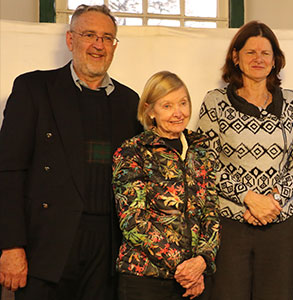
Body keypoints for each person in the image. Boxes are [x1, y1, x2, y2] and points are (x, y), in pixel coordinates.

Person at [0, 4, 142, 300]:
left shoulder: (130, 102)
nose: (98, 45)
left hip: (106, 248)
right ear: (70, 40)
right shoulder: (34, 88)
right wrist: (11, 245)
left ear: (114, 46)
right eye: (89, 35)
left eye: (107, 38)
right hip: (47, 245)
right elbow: (9, 171)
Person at [196, 21, 293, 300]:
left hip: (280, 227)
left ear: (275, 61)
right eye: (250, 52)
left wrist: (271, 200)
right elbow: (205, 164)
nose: (258, 59)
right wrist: (249, 199)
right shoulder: (215, 102)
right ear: (235, 57)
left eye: (265, 53)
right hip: (231, 227)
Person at [112, 71, 219, 300]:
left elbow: (211, 211)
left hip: (194, 281)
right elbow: (132, 220)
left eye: (183, 102)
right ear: (150, 110)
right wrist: (185, 268)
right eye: (167, 106)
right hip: (145, 280)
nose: (178, 113)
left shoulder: (200, 149)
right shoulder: (133, 151)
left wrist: (201, 263)